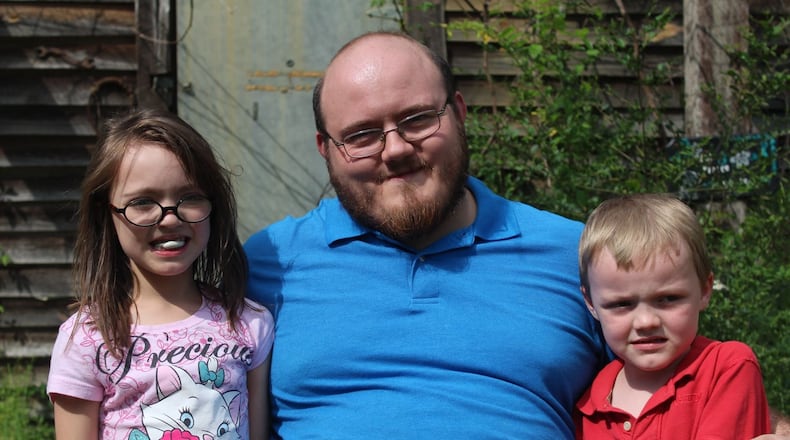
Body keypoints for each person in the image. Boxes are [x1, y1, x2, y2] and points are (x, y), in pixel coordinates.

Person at [244, 31, 790, 439]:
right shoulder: (269, 261)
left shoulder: (573, 254)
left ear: (458, 114)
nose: (395, 149)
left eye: (417, 119)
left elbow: (684, 375)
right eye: (361, 135)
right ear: (326, 149)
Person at [47, 109, 274, 440]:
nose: (169, 218)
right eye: (143, 202)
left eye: (190, 197)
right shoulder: (85, 340)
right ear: (106, 213)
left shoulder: (248, 324)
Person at [574, 193, 771, 439]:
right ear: (591, 303)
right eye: (622, 304)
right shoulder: (587, 407)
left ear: (705, 289)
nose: (646, 322)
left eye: (668, 299)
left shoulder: (726, 369)